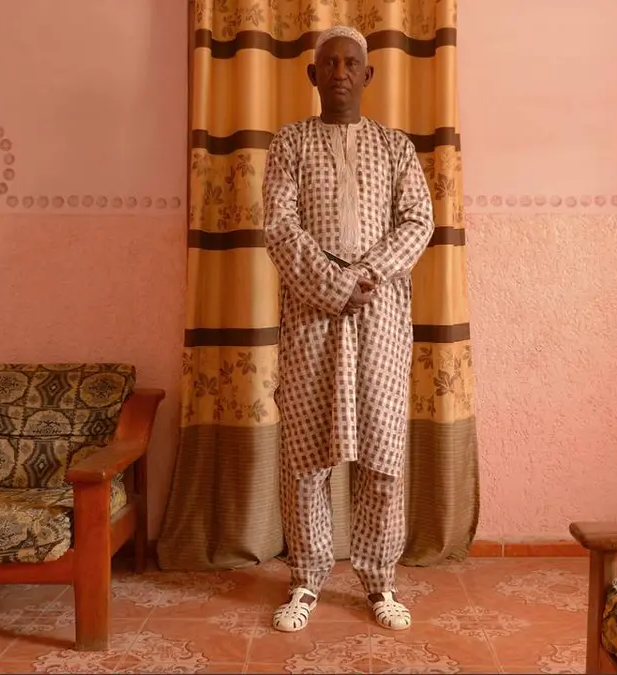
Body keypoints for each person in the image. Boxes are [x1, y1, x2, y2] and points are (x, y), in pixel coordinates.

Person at [261, 25, 435, 633]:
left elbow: (418, 221)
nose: (339, 73)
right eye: (329, 64)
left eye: (350, 63)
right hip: (311, 318)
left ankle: (380, 582)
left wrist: (367, 275)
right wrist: (335, 286)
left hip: (381, 317)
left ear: (368, 75)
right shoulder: (290, 143)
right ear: (313, 75)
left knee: (382, 452)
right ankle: (306, 580)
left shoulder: (395, 147)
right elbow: (279, 227)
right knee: (308, 454)